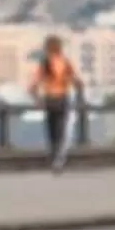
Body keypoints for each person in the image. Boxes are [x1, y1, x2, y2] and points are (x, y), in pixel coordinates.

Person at [30, 35, 83, 173]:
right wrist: (79, 96)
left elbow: (33, 86)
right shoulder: (65, 63)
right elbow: (76, 82)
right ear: (60, 48)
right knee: (61, 130)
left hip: (49, 100)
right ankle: (58, 159)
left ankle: (53, 156)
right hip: (62, 99)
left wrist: (38, 100)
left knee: (51, 130)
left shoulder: (45, 63)